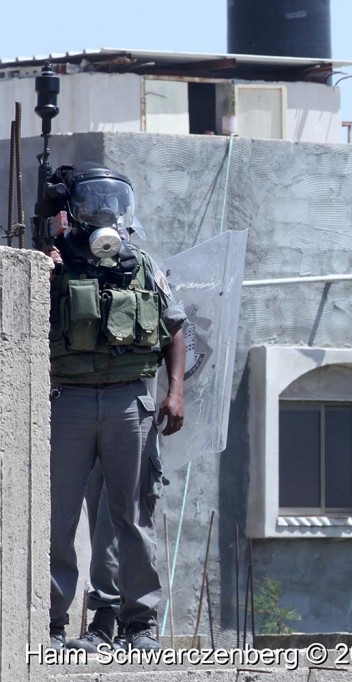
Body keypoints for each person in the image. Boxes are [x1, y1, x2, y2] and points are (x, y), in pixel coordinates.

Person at [44, 163, 186, 651]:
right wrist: (46, 261)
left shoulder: (140, 262)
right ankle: (51, 623)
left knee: (134, 514)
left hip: (131, 399)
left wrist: (175, 392)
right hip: (69, 400)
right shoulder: (54, 260)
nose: (104, 210)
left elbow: (175, 325)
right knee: (58, 517)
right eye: (93, 200)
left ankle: (139, 624)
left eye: (112, 200)